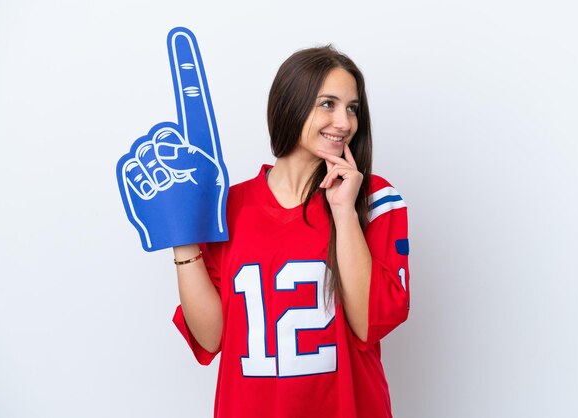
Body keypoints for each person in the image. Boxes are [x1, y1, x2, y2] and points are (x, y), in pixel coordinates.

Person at [171, 45, 410, 418]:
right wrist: (181, 235)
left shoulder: (374, 199)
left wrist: (343, 211)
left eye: (352, 108)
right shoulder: (227, 208)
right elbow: (211, 337)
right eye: (328, 104)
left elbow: (367, 324)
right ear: (290, 104)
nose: (345, 122)